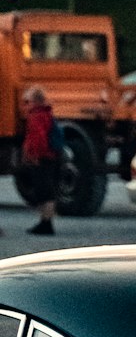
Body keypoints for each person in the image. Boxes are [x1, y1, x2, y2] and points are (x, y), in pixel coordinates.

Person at [20, 86, 64, 236]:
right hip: (50, 156)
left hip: (42, 158)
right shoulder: (47, 113)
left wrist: (34, 156)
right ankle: (46, 222)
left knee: (44, 190)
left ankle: (46, 223)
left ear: (34, 101)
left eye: (27, 101)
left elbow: (38, 138)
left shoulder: (36, 116)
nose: (25, 105)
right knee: (47, 189)